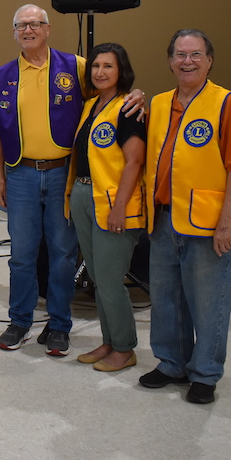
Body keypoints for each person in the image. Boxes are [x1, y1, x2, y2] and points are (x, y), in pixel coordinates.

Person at [0, 4, 143, 357]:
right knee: (22, 256)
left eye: (35, 24)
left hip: (63, 174)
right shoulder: (2, 76)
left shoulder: (75, 66)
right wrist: (0, 178)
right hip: (21, 174)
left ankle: (59, 325)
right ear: (14, 32)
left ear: (47, 28)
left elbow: (110, 88)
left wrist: (136, 95)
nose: (28, 30)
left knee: (62, 255)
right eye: (21, 25)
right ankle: (20, 321)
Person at [139, 29, 231, 404]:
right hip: (164, 220)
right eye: (179, 54)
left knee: (209, 303)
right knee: (166, 298)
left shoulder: (228, 105)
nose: (187, 61)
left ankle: (205, 373)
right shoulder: (158, 104)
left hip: (208, 225)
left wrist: (227, 223)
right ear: (170, 60)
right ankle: (171, 363)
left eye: (195, 54)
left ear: (209, 60)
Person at [65, 43, 146, 372]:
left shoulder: (129, 108)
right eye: (96, 65)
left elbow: (135, 161)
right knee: (98, 277)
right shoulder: (90, 106)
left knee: (111, 279)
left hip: (115, 202)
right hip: (84, 196)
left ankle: (125, 348)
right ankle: (110, 340)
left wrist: (120, 208)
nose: (100, 72)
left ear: (121, 70)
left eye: (108, 66)